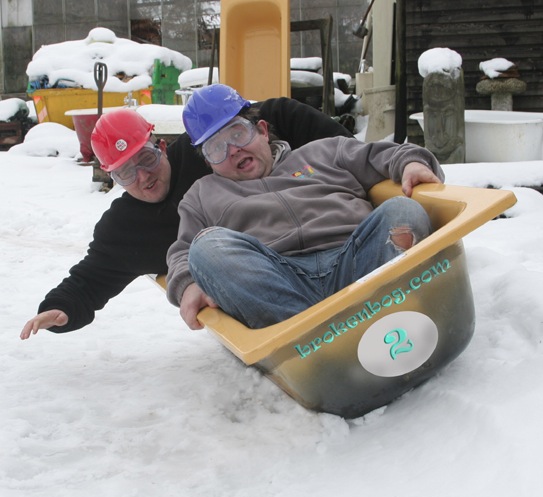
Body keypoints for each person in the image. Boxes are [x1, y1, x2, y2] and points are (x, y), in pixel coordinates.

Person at [20, 98, 353, 340]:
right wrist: (61, 307)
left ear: (162, 147)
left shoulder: (204, 154)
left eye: (146, 158)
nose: (143, 176)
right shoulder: (125, 229)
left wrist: (347, 151)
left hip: (307, 248)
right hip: (256, 282)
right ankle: (307, 333)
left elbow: (272, 115)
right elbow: (91, 277)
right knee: (208, 247)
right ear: (113, 179)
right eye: (125, 173)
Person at [166, 84, 445, 330]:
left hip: (357, 261)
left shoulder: (325, 151)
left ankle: (385, 314)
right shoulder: (201, 195)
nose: (233, 150)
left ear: (262, 130)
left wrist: (411, 162)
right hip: (279, 284)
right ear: (209, 163)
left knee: (403, 211)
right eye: (216, 149)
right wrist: (187, 284)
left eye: (238, 134)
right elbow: (183, 251)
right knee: (206, 248)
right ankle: (308, 335)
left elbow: (384, 154)